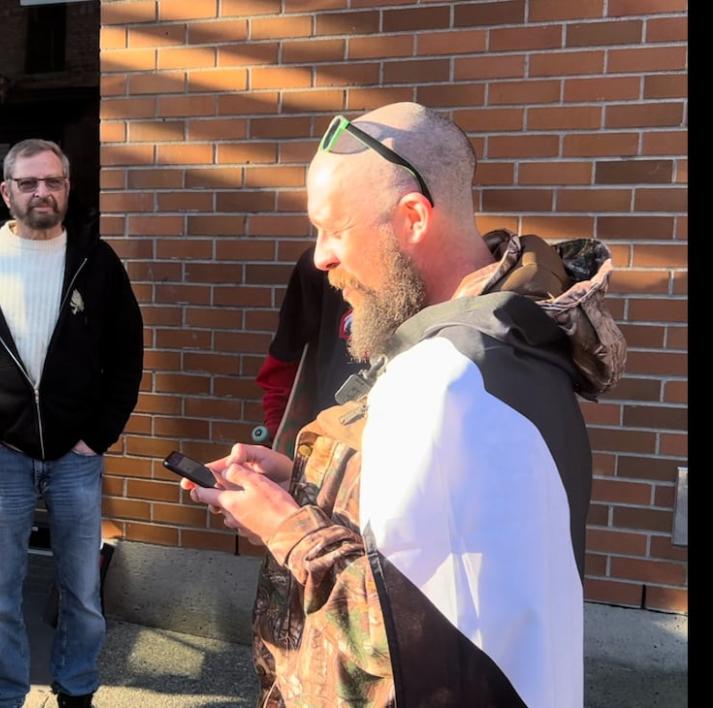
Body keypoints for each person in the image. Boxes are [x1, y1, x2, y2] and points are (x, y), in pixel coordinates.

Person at [184, 103, 626, 706]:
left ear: (413, 217)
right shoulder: (501, 340)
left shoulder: (449, 378)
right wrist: (306, 482)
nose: (320, 256)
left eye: (334, 228)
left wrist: (282, 525)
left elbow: (401, 638)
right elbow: (452, 549)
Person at [0, 139, 144, 708]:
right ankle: (3, 696)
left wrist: (96, 436)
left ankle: (76, 690)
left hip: (77, 458)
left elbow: (127, 355)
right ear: (6, 192)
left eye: (52, 181)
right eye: (28, 183)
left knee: (82, 591)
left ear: (68, 189)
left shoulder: (97, 263)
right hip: (4, 457)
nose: (41, 192)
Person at [253, 247, 363, 456]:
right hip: (326, 449)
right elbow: (285, 360)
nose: (322, 257)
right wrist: (278, 435)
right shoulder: (319, 265)